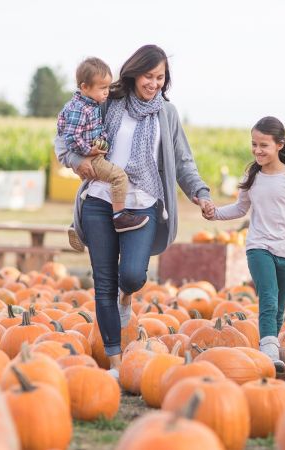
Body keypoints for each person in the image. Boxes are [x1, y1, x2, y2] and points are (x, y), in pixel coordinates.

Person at [55, 45, 212, 379]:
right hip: (99, 199)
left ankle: (129, 296)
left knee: (132, 276)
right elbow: (64, 138)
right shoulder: (107, 100)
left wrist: (199, 192)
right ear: (134, 72)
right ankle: (114, 361)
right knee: (103, 283)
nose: (154, 83)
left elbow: (183, 161)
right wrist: (78, 161)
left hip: (144, 203)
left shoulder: (166, 114)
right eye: (148, 76)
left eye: (160, 77)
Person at [202, 116, 285, 372]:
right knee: (268, 299)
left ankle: (270, 348)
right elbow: (240, 208)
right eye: (254, 144)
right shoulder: (253, 175)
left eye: (263, 145)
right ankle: (269, 353)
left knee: (280, 306)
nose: (257, 150)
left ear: (279, 145)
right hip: (259, 247)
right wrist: (214, 213)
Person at [58, 57, 149, 253]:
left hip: (95, 152)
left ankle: (77, 224)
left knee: (90, 187)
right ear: (84, 87)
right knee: (118, 177)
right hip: (91, 156)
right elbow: (70, 137)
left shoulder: (91, 104)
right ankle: (119, 217)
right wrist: (88, 152)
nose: (106, 92)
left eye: (108, 87)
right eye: (102, 88)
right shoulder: (78, 109)